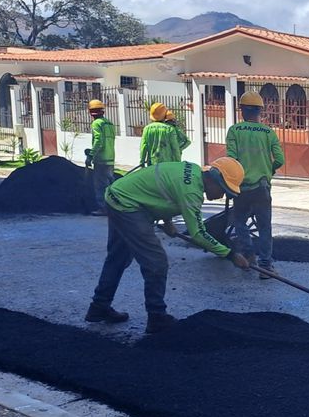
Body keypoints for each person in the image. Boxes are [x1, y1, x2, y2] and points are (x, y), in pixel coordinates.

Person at [85, 157, 251, 334]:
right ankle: (157, 317)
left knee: (117, 258)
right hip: (128, 206)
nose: (222, 195)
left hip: (117, 196)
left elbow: (163, 190)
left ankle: (99, 306)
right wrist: (230, 254)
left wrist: (167, 220)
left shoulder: (192, 172)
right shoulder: (191, 192)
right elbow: (198, 233)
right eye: (223, 190)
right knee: (156, 263)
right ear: (214, 180)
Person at [226, 91, 285, 279]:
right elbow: (280, 159)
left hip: (241, 187)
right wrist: (269, 171)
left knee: (239, 221)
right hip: (262, 187)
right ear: (260, 110)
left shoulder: (235, 130)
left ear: (242, 109)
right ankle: (266, 266)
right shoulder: (268, 132)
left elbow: (232, 159)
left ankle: (248, 252)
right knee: (264, 226)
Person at [87, 99, 116, 215]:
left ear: (90, 112)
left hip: (101, 159)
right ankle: (113, 206)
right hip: (110, 157)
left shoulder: (96, 124)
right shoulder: (109, 123)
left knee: (100, 185)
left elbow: (98, 141)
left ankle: (103, 208)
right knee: (110, 184)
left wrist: (91, 155)